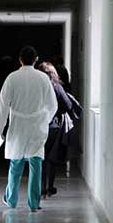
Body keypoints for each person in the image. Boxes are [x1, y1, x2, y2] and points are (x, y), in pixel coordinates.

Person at [0, 46, 58, 212]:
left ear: (20, 60)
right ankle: (34, 203)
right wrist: (44, 120)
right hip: (37, 125)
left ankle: (11, 199)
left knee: (16, 163)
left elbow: (2, 105)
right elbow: (53, 105)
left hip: (18, 125)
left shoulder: (12, 78)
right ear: (36, 60)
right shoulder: (43, 78)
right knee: (36, 163)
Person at [36, 62, 74, 199]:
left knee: (40, 158)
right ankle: (49, 188)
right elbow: (68, 105)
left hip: (37, 125)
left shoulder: (36, 87)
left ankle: (40, 188)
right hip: (53, 126)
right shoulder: (56, 87)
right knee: (52, 158)